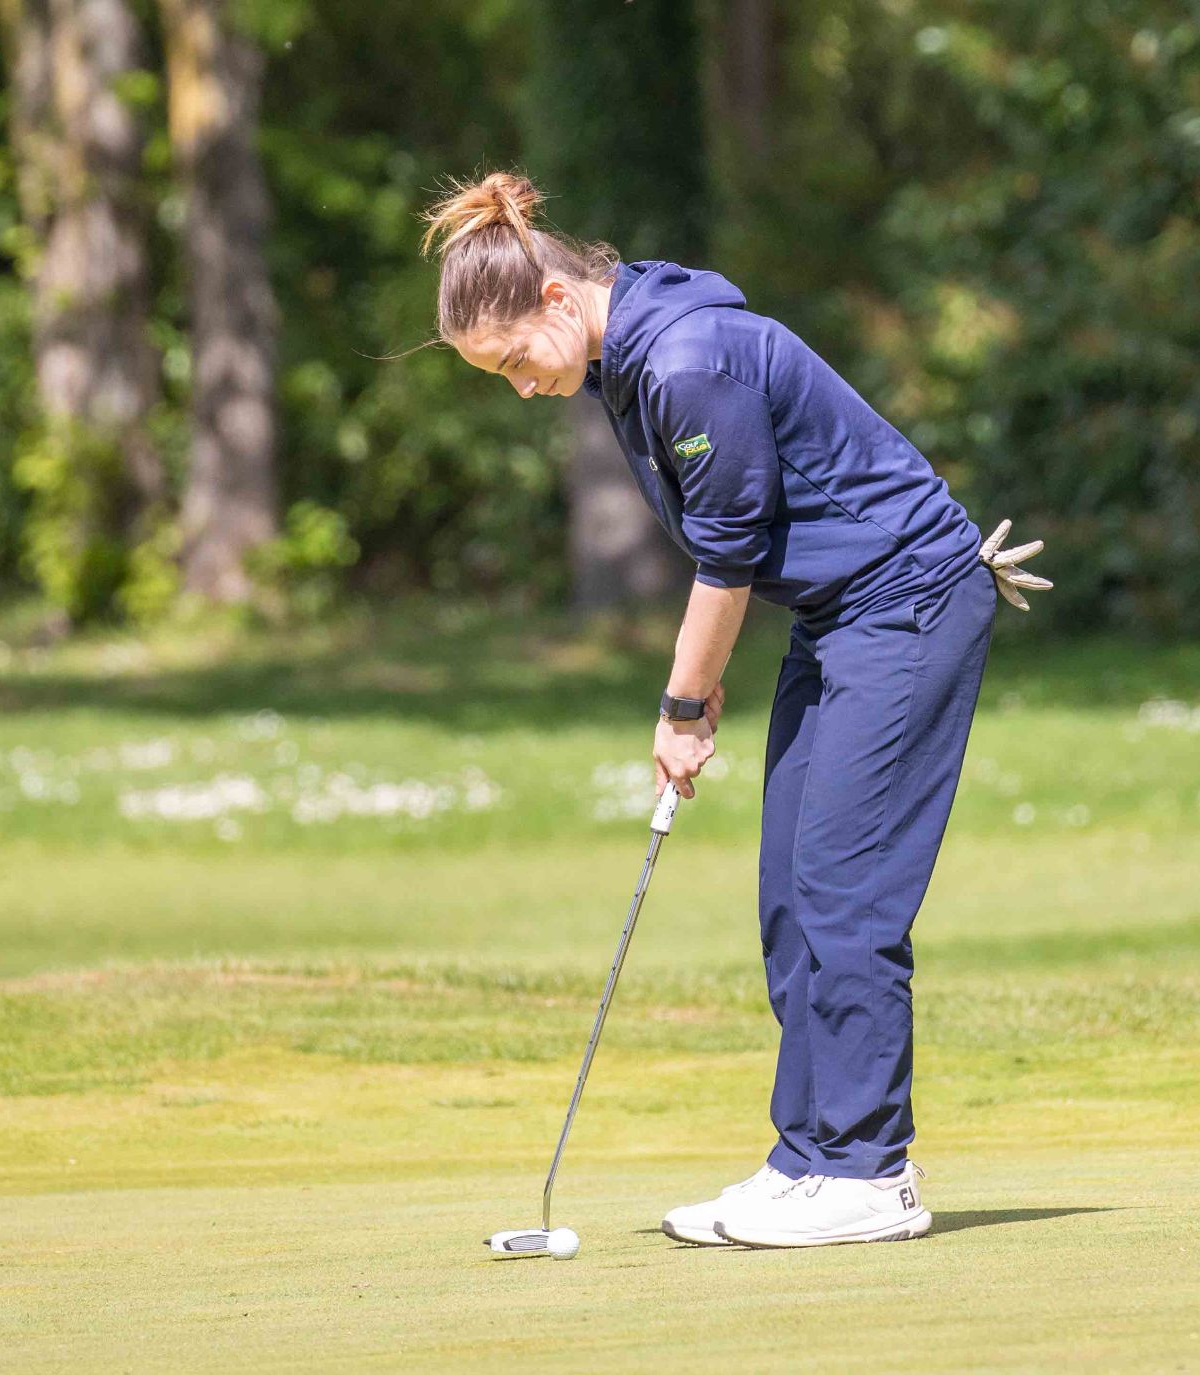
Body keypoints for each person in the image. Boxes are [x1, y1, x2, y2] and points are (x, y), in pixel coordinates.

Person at [419, 171, 1050, 1249]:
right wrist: (699, 684)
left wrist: (681, 704)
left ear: (560, 300)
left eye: (516, 360)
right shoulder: (628, 358)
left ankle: (870, 1171)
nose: (522, 387)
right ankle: (806, 1158)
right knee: (792, 897)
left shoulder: (683, 359)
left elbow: (728, 560)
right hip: (840, 613)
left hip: (909, 601)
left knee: (846, 890)